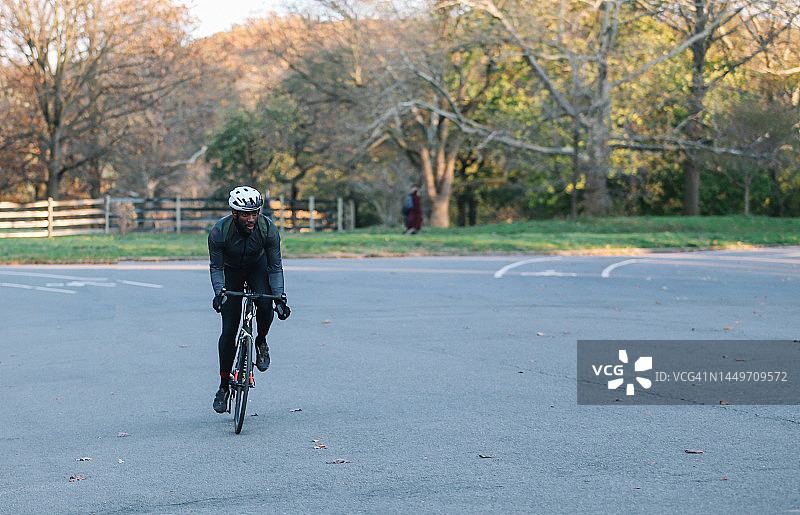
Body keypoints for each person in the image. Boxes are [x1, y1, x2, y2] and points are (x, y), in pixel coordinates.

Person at [208, 186, 291, 413]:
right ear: (234, 213)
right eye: (246, 214)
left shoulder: (268, 229)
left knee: (266, 304)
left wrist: (280, 297)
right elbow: (216, 267)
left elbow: (275, 267)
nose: (251, 218)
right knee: (229, 329)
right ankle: (224, 386)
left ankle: (261, 340)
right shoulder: (219, 231)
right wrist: (219, 293)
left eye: (255, 212)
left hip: (257, 267)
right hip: (231, 271)